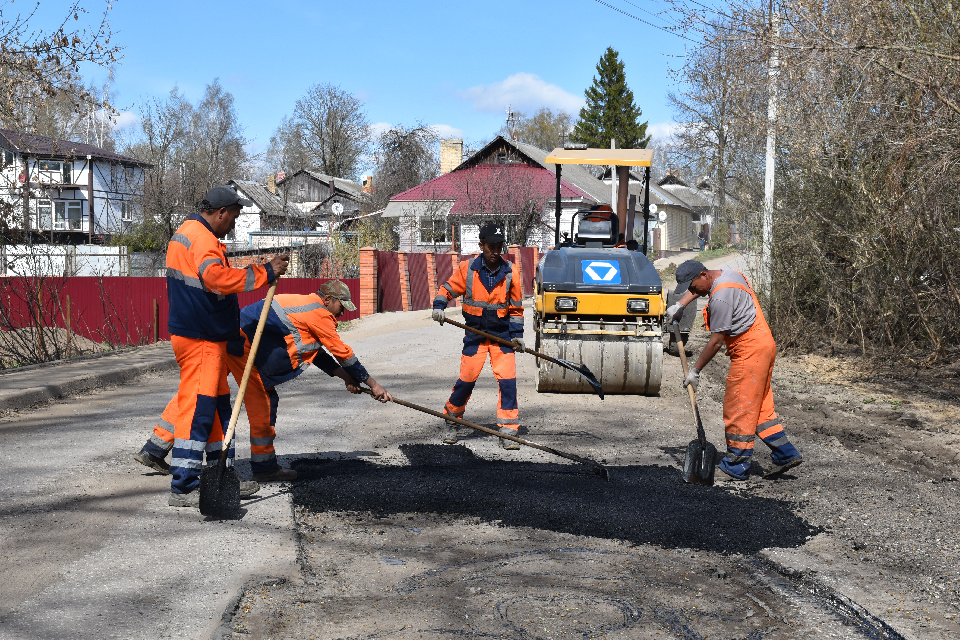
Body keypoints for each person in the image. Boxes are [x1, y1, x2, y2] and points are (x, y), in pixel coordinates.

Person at [135, 280, 393, 485]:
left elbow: (316, 353)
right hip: (245, 345)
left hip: (235, 339)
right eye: (341, 306)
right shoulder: (318, 312)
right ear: (328, 300)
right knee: (264, 400)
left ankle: (154, 448)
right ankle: (264, 466)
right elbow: (343, 353)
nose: (342, 313)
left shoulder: (307, 307)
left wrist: (347, 378)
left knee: (200, 392)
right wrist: (373, 383)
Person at [146, 186, 288, 508]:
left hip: (204, 335)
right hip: (201, 338)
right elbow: (216, 280)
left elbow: (212, 285)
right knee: (198, 411)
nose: (233, 226)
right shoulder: (204, 239)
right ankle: (185, 485)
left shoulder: (187, 232)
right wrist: (265, 273)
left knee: (218, 412)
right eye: (233, 218)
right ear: (221, 211)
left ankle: (219, 474)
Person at [665, 260, 802, 481]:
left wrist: (696, 371)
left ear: (703, 275)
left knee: (739, 406)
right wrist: (681, 304)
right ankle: (785, 453)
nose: (693, 292)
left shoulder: (721, 297)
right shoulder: (728, 274)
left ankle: (736, 466)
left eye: (693, 286)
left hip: (750, 352)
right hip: (764, 344)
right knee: (758, 407)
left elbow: (716, 341)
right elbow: (699, 290)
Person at [432, 222, 524, 449]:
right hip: (475, 335)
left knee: (508, 383)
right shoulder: (468, 269)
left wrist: (517, 336)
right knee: (466, 381)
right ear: (481, 245)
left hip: (502, 337)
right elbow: (447, 289)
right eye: (491, 246)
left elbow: (516, 308)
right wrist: (439, 306)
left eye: (499, 246)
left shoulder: (511, 271)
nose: (495, 251)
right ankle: (452, 421)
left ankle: (508, 431)